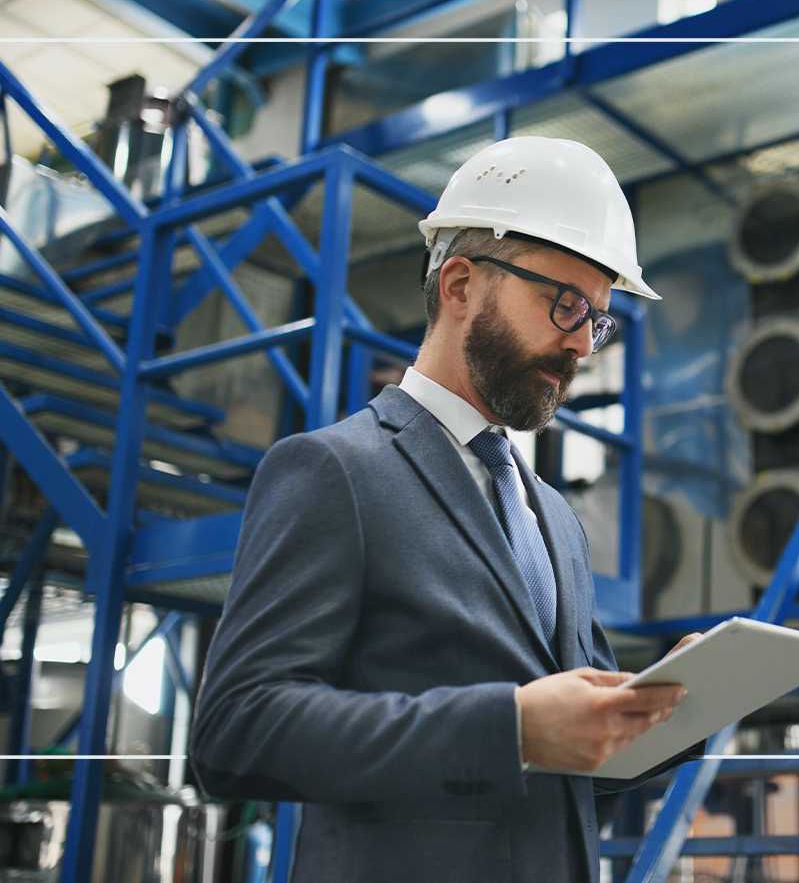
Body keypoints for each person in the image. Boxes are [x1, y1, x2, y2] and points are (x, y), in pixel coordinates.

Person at [190, 136, 704, 883]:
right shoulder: (337, 469)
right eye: (563, 302)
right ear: (460, 285)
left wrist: (674, 715)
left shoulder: (554, 518)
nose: (581, 346)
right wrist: (512, 729)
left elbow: (580, 766)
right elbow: (237, 730)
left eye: (595, 319)